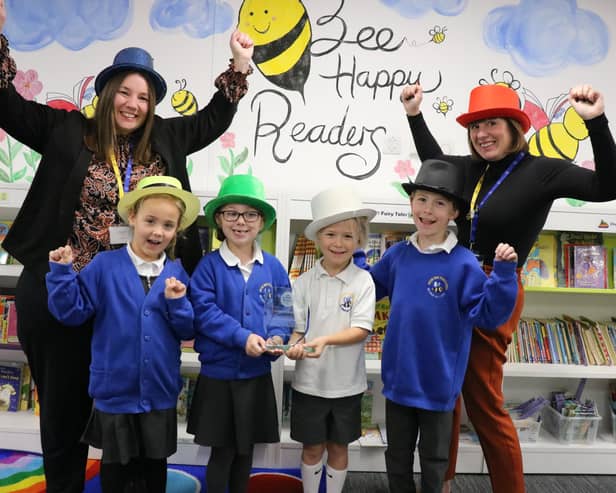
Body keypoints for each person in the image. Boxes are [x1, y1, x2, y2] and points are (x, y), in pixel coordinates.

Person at [0, 0, 254, 488]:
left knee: (137, 413)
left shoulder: (167, 139)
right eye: (125, 91)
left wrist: (240, 64)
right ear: (108, 92)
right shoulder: (66, 129)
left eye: (144, 96)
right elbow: (8, 105)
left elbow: (214, 119)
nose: (133, 103)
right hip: (65, 290)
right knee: (64, 410)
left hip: (137, 298)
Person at [400, 82, 616, 493]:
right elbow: (434, 163)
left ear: (515, 126)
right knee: (445, 394)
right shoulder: (467, 167)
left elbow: (608, 187)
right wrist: (414, 115)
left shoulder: (542, 169)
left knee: (483, 401)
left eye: (492, 123)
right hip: (450, 285)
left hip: (494, 289)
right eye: (476, 125)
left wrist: (596, 122)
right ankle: (441, 483)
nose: (482, 133)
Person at [368, 158, 519, 493]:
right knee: (397, 454)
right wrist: (352, 261)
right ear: (411, 203)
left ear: (453, 213)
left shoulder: (463, 263)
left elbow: (489, 316)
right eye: (421, 199)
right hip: (398, 379)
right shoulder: (397, 255)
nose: (427, 210)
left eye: (439, 203)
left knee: (435, 459)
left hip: (438, 383)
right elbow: (367, 290)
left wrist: (504, 276)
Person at [46, 175, 200, 492]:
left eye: (168, 225)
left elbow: (187, 330)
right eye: (150, 221)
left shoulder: (178, 272)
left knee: (155, 466)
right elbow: (70, 312)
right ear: (132, 218)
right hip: (115, 388)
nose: (158, 231)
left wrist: (178, 303)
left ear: (177, 230)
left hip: (158, 389)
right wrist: (62, 273)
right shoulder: (104, 265)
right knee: (115, 469)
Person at [187, 174, 291, 493]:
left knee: (246, 450)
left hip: (255, 377)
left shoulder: (273, 267)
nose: (241, 222)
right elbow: (205, 313)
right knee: (222, 452)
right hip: (219, 377)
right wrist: (241, 337)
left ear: (261, 222)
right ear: (219, 219)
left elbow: (283, 314)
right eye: (231, 213)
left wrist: (276, 338)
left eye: (250, 214)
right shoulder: (208, 266)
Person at [285, 185, 377, 493]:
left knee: (339, 448)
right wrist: (294, 346)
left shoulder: (363, 281)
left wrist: (324, 341)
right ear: (317, 237)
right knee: (312, 449)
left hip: (347, 386)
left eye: (348, 236)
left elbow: (361, 329)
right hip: (309, 384)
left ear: (359, 240)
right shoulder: (303, 282)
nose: (339, 243)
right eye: (331, 234)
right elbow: (297, 329)